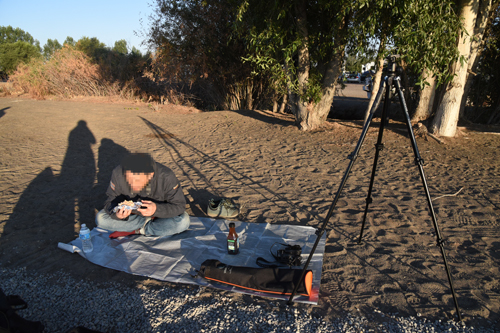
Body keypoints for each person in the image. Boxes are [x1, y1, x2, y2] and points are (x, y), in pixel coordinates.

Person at [95, 152, 190, 237]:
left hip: (160, 216)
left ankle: (140, 230)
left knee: (183, 221)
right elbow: (110, 201)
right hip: (132, 216)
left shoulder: (166, 176)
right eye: (129, 179)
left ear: (150, 175)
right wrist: (117, 215)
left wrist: (156, 209)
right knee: (101, 218)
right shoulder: (118, 174)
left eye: (137, 180)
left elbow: (180, 206)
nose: (132, 184)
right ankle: (143, 228)